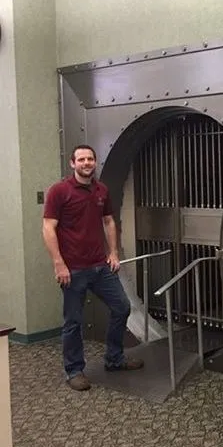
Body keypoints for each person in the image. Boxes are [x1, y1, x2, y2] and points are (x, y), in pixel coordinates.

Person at [42, 144, 143, 391]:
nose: (86, 163)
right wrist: (59, 263)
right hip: (73, 270)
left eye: (90, 159)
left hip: (100, 266)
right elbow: (48, 228)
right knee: (73, 322)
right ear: (72, 164)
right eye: (81, 159)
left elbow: (108, 221)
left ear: (94, 162)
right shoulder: (59, 191)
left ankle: (114, 359)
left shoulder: (101, 190)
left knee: (122, 307)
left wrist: (114, 252)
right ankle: (74, 371)